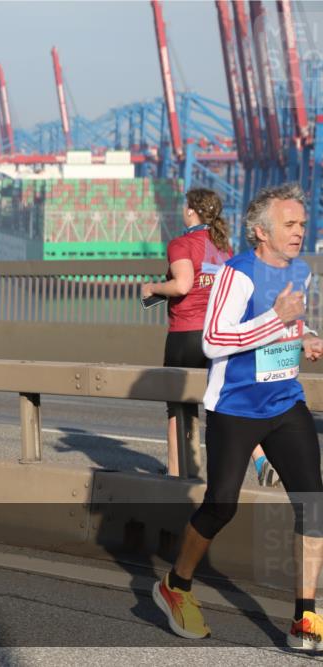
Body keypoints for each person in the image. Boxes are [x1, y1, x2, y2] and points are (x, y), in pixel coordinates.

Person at [152, 183, 323, 652]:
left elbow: (288, 321)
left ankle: (304, 618)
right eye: (289, 224)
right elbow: (214, 341)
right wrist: (275, 319)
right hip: (235, 408)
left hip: (286, 401)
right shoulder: (236, 273)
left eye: (302, 224)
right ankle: (176, 585)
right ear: (260, 231)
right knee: (221, 505)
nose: (299, 232)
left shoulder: (301, 269)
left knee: (314, 505)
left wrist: (305, 334)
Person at [142, 190, 278, 485]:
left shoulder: (181, 244)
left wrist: (152, 288)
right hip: (219, 335)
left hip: (186, 335)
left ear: (191, 211)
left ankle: (178, 475)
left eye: (184, 205)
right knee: (228, 400)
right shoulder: (224, 248)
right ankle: (260, 457)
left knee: (179, 406)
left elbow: (182, 285)